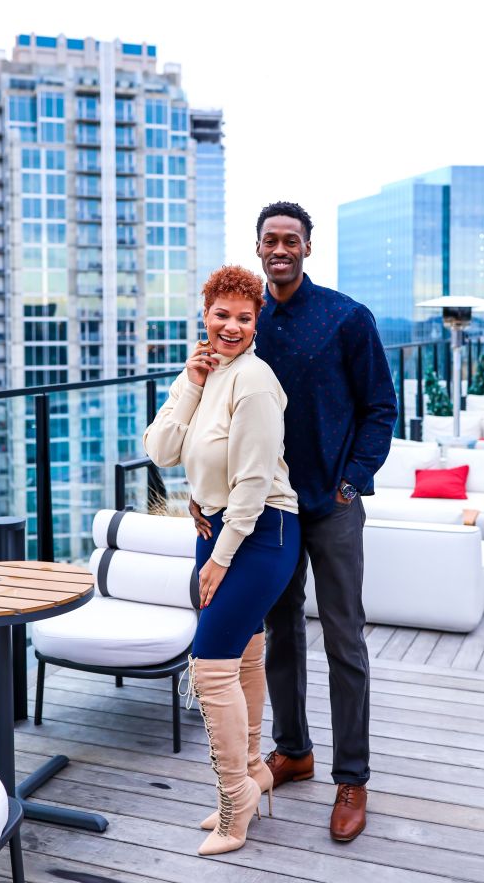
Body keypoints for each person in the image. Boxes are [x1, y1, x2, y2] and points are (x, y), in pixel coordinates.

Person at [215, 201, 396, 842]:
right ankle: (293, 750)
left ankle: (352, 777)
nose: (280, 249)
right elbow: (222, 405)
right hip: (272, 507)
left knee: (344, 640)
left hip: (332, 505)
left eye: (291, 240)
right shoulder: (248, 322)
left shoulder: (347, 317)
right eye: (270, 240)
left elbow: (381, 407)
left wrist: (353, 481)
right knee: (281, 633)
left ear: (307, 248)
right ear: (258, 248)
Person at [143, 265, 299, 857]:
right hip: (216, 527)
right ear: (204, 316)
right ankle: (254, 770)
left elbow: (254, 483)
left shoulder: (254, 382)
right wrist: (189, 382)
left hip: (259, 534)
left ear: (257, 323)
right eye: (221, 315)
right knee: (244, 654)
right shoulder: (206, 373)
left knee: (209, 666)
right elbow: (161, 449)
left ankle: (236, 801)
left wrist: (219, 560)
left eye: (244, 317)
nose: (231, 326)